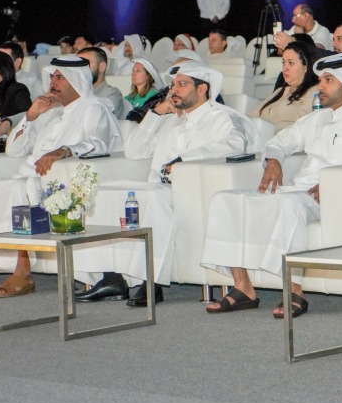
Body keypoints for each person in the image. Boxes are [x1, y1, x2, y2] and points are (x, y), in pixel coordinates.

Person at [200, 53, 342, 316]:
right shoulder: (317, 118)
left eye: (328, 81)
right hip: (301, 191)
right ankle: (243, 288)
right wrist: (274, 161)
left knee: (289, 204)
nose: (320, 87)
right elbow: (278, 142)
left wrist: (334, 180)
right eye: (321, 80)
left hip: (334, 196)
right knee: (224, 198)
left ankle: (295, 293)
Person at [0, 56, 124, 296]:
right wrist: (31, 116)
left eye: (60, 78)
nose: (52, 82)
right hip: (25, 174)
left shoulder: (94, 107)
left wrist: (65, 150)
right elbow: (14, 150)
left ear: (77, 81)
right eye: (52, 77)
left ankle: (22, 272)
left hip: (53, 182)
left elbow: (99, 142)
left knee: (17, 191)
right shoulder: (49, 110)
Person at [74, 61, 247, 306]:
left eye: (182, 84)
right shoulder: (169, 118)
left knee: (154, 199)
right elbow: (134, 151)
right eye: (173, 84)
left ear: (202, 90)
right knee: (103, 192)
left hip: (189, 192)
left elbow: (236, 144)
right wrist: (155, 114)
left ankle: (151, 281)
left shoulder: (221, 117)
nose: (174, 90)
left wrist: (185, 160)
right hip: (157, 186)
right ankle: (112, 277)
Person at [249, 43, 318, 130]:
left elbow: (304, 127)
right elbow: (253, 115)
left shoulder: (313, 92)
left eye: (291, 63)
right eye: (284, 63)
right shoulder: (280, 91)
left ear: (306, 67)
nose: (285, 68)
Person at [77, 46, 124, 116]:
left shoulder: (112, 94)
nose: (79, 69)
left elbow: (100, 121)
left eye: (85, 64)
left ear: (102, 67)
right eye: (77, 64)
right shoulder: (75, 92)